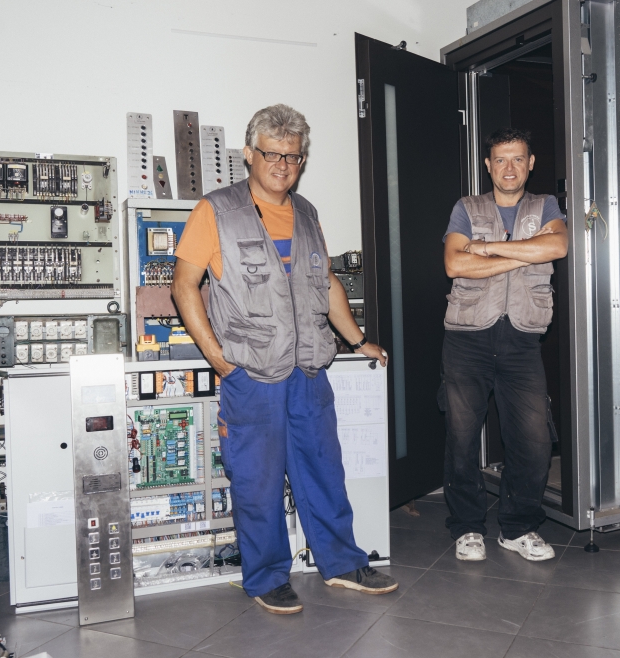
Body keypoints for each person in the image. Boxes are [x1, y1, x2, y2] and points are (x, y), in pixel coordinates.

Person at [171, 104, 396, 614]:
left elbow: (327, 283)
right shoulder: (215, 210)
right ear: (249, 155)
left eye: (293, 157)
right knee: (258, 480)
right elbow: (184, 286)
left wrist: (359, 341)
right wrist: (217, 358)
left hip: (309, 369)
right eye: (272, 154)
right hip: (251, 372)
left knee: (324, 471)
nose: (282, 165)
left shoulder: (308, 213)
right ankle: (268, 576)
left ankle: (342, 564)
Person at [440, 127, 569, 562]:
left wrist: (490, 250)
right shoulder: (466, 207)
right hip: (466, 339)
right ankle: (467, 528)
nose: (509, 168)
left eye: (517, 159)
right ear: (487, 165)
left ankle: (517, 527)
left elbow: (559, 245)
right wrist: (525, 252)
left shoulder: (545, 205)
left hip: (522, 340)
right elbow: (455, 262)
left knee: (533, 440)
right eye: (500, 159)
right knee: (461, 438)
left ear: (530, 163)